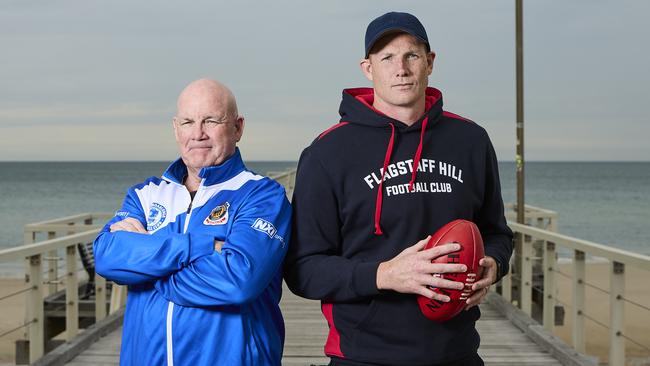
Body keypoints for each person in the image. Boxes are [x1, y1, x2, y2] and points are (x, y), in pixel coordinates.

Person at [284, 12, 513, 366]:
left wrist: (493, 265)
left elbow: (497, 232)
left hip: (457, 352)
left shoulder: (471, 141)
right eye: (386, 58)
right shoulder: (327, 152)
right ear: (367, 68)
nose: (400, 69)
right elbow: (303, 270)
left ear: (430, 62)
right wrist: (386, 274)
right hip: (363, 354)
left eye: (411, 55)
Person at [94, 79, 291, 366]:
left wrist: (149, 271)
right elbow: (106, 256)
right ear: (176, 128)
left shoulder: (262, 195)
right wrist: (198, 245)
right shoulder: (145, 194)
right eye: (188, 122)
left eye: (211, 120)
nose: (198, 133)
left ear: (238, 128)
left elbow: (239, 280)